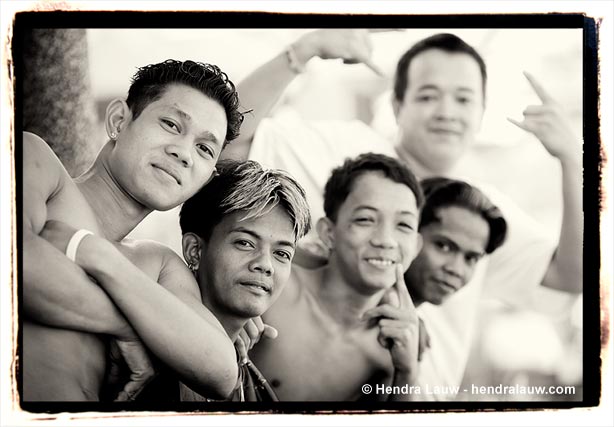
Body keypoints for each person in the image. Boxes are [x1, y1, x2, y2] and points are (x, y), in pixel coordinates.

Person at [225, 30, 582, 399]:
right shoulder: (341, 150)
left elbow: (572, 275)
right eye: (428, 95)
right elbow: (226, 140)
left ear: (480, 113)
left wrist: (574, 161)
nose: (447, 111)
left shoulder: (478, 213)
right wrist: (302, 52)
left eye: (464, 99)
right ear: (397, 105)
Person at [23, 59, 245, 401]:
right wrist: (128, 325)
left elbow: (219, 370)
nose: (184, 152)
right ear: (118, 121)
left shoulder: (158, 264)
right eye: (171, 124)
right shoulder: (35, 160)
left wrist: (98, 256)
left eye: (204, 148)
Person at [40, 160, 311, 402]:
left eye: (282, 253)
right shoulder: (138, 292)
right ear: (195, 250)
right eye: (244, 242)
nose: (264, 264)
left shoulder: (250, 379)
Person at [247, 153, 424, 401]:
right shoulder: (274, 289)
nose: (385, 240)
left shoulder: (392, 350)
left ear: (416, 246)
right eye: (365, 219)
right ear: (329, 233)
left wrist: (407, 374)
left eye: (403, 225)